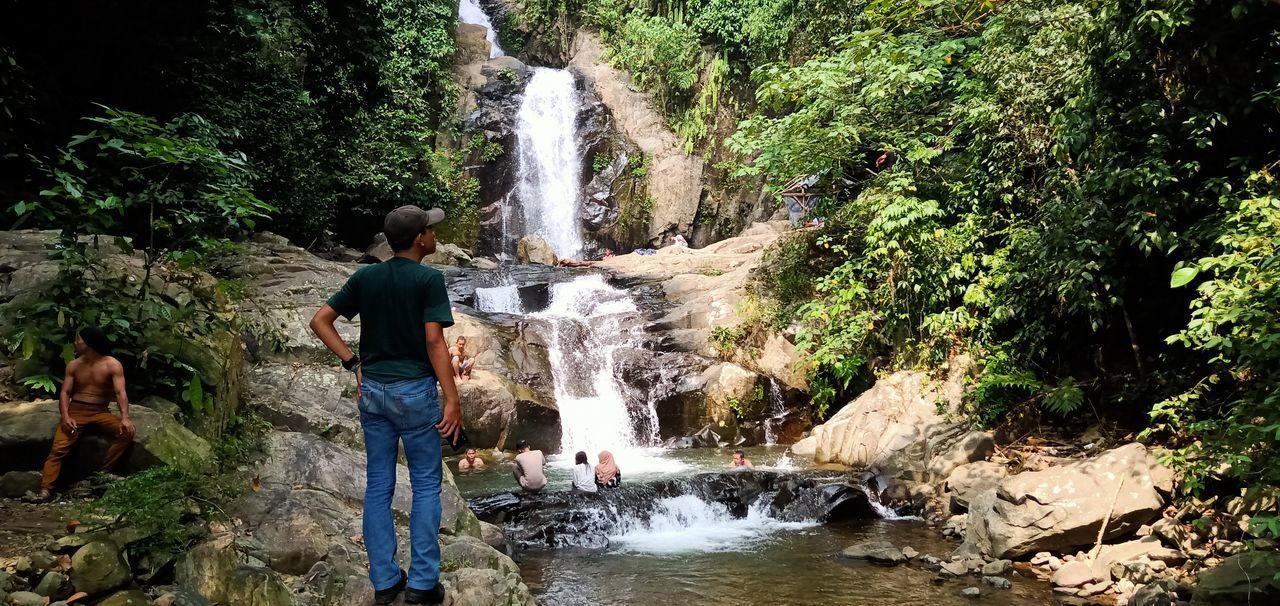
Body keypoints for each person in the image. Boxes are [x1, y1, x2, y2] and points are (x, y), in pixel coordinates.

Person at [310, 205, 462, 606]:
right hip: (415, 394)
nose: (434, 234)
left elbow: (320, 320)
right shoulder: (429, 279)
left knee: (379, 485)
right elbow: (434, 343)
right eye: (430, 230)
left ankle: (385, 583)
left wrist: (352, 362)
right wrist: (452, 398)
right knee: (427, 484)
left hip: (373, 391)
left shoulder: (366, 277)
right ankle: (423, 585)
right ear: (420, 240)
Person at [34, 327, 135, 502]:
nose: (75, 343)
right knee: (58, 449)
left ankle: (104, 473)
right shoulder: (74, 365)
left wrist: (125, 417)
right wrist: (65, 416)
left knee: (126, 431)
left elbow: (120, 392)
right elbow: (65, 393)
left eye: (78, 340)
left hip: (100, 411)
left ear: (89, 343)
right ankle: (45, 490)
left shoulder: (112, 364)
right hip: (77, 411)